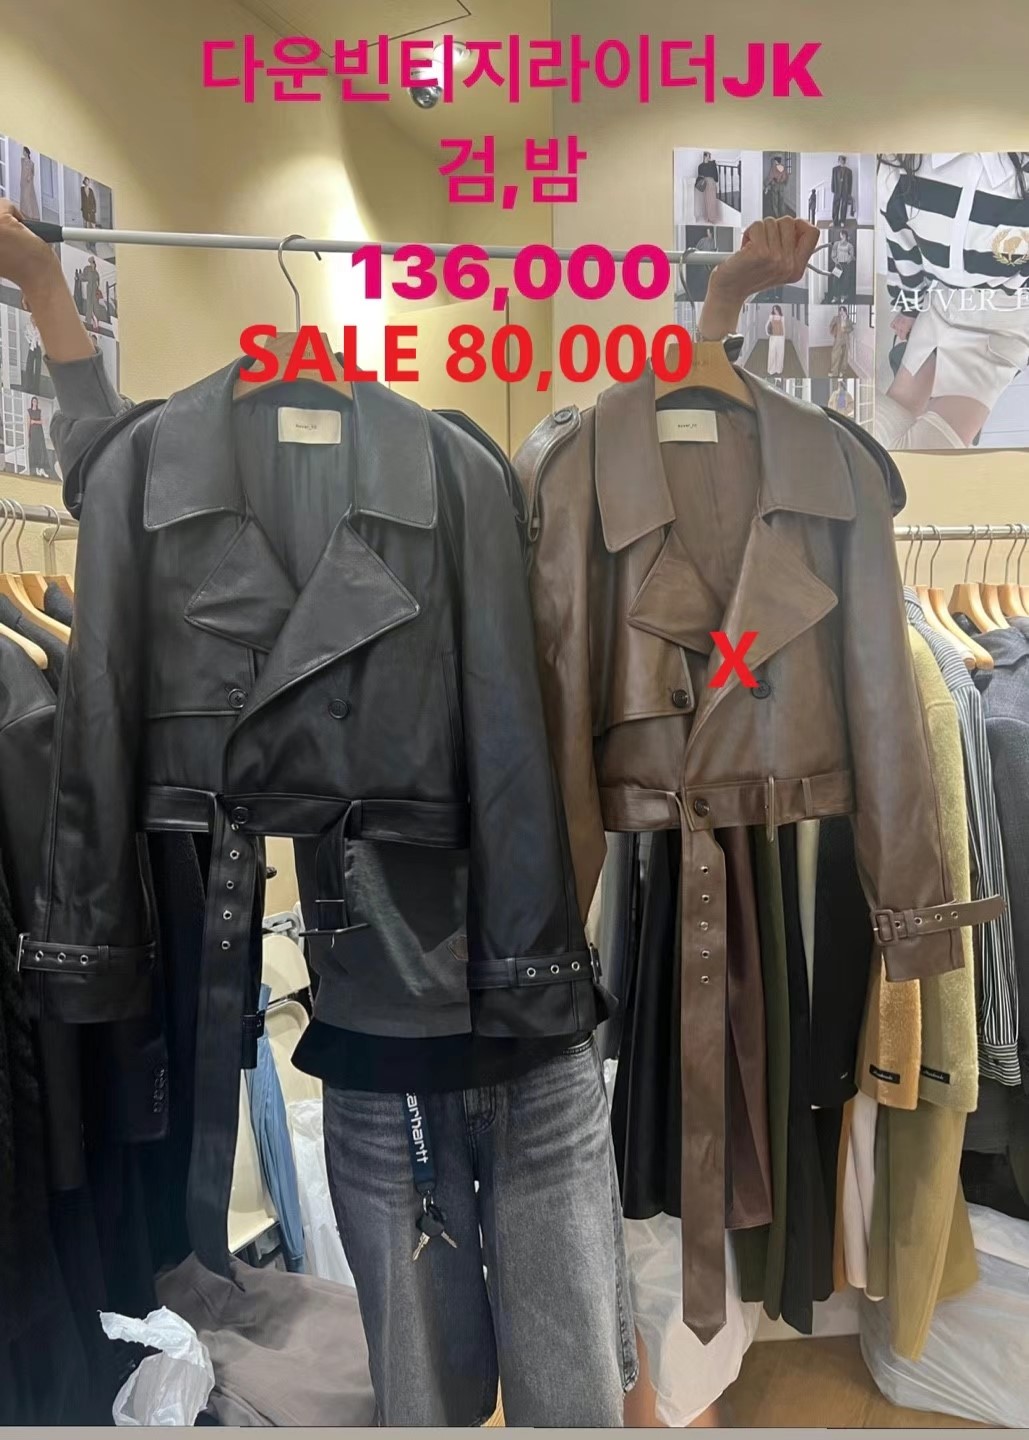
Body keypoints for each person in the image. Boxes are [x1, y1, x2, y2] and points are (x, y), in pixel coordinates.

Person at [877, 152, 1029, 450]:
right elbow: (902, 248)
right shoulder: (901, 166)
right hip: (941, 305)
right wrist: (910, 308)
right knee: (880, 438)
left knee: (927, 451)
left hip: (1003, 321)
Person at [26, 396, 55, 478]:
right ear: (32, 402)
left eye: (36, 401)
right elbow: (28, 423)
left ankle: (42, 469)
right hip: (33, 432)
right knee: (34, 450)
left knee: (41, 449)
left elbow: (44, 422)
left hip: (39, 432)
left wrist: (34, 421)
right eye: (33, 401)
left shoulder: (39, 411)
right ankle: (37, 469)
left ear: (37, 403)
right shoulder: (29, 411)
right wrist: (28, 433)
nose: (34, 402)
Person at [21, 297, 43, 393]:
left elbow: (43, 336)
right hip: (31, 347)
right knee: (29, 365)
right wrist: (30, 341)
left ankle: (36, 388)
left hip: (38, 347)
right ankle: (27, 385)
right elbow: (25, 334)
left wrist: (39, 342)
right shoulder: (28, 326)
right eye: (32, 319)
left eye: (35, 319)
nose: (34, 320)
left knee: (37, 367)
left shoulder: (40, 326)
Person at [828, 230, 856, 302]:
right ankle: (835, 297)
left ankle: (843, 296)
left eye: (842, 235)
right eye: (841, 235)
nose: (841, 236)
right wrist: (836, 262)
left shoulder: (850, 245)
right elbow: (833, 254)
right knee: (835, 281)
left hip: (846, 265)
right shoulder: (836, 244)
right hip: (838, 264)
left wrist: (848, 260)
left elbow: (852, 255)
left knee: (845, 281)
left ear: (845, 235)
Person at [695, 151, 720, 223]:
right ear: (704, 156)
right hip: (704, 183)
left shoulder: (712, 164)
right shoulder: (700, 166)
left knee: (712, 201)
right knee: (706, 201)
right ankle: (708, 217)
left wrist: (713, 164)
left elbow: (716, 176)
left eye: (710, 156)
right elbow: (699, 176)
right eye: (708, 156)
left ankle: (713, 218)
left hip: (711, 183)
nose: (709, 157)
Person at [829, 305, 853, 376]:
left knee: (845, 356)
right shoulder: (836, 318)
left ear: (846, 311)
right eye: (840, 310)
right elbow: (831, 325)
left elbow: (851, 328)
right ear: (839, 312)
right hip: (838, 339)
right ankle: (834, 372)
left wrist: (845, 329)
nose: (841, 312)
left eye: (843, 310)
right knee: (834, 354)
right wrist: (834, 332)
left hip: (846, 339)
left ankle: (843, 371)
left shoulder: (848, 320)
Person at [19, 146, 40, 222]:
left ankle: (31, 214)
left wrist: (29, 177)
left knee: (28, 197)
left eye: (24, 151)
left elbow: (32, 173)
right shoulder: (22, 161)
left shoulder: (31, 163)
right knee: (23, 197)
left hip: (29, 183)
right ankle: (24, 211)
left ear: (27, 153)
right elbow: (22, 171)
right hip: (23, 181)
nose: (23, 153)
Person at [832, 155, 853, 225]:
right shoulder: (834, 169)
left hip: (845, 191)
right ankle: (834, 221)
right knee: (835, 206)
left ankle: (842, 221)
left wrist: (849, 192)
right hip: (837, 190)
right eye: (840, 160)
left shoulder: (849, 171)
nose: (841, 161)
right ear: (838, 161)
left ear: (845, 161)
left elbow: (850, 182)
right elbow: (833, 180)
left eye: (843, 160)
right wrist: (833, 189)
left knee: (844, 206)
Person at [765, 303, 786, 376]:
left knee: (780, 353)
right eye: (774, 309)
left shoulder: (782, 317)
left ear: (778, 309)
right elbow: (767, 325)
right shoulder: (771, 316)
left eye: (776, 309)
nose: (775, 311)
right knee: (772, 352)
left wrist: (784, 337)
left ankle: (778, 369)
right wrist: (767, 333)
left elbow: (783, 327)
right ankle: (771, 369)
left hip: (781, 337)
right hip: (773, 337)